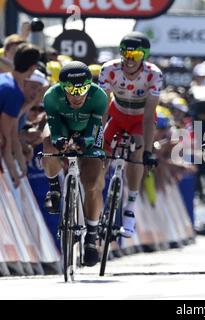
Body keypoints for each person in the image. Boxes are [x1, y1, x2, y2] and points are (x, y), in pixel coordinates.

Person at [42, 61, 108, 267]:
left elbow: (96, 130)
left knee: (92, 184)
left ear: (90, 86)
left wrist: (86, 142)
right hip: (62, 128)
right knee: (47, 144)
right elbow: (53, 126)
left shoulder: (99, 96)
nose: (77, 95)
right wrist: (59, 141)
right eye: (71, 90)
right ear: (62, 87)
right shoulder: (51, 97)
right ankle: (54, 188)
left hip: (89, 132)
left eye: (83, 89)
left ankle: (91, 236)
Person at [99, 31, 162, 237]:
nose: (129, 60)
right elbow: (102, 108)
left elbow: (148, 115)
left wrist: (148, 150)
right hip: (117, 115)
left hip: (139, 118)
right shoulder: (109, 69)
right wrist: (99, 137)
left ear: (144, 56)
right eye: (125, 54)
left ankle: (130, 209)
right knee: (102, 151)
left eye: (135, 55)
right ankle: (98, 194)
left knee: (137, 152)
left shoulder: (154, 74)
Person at [0, 43, 41, 187]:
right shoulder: (14, 92)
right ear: (33, 68)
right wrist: (12, 169)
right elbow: (6, 136)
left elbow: (13, 131)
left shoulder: (5, 79)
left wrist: (20, 161)